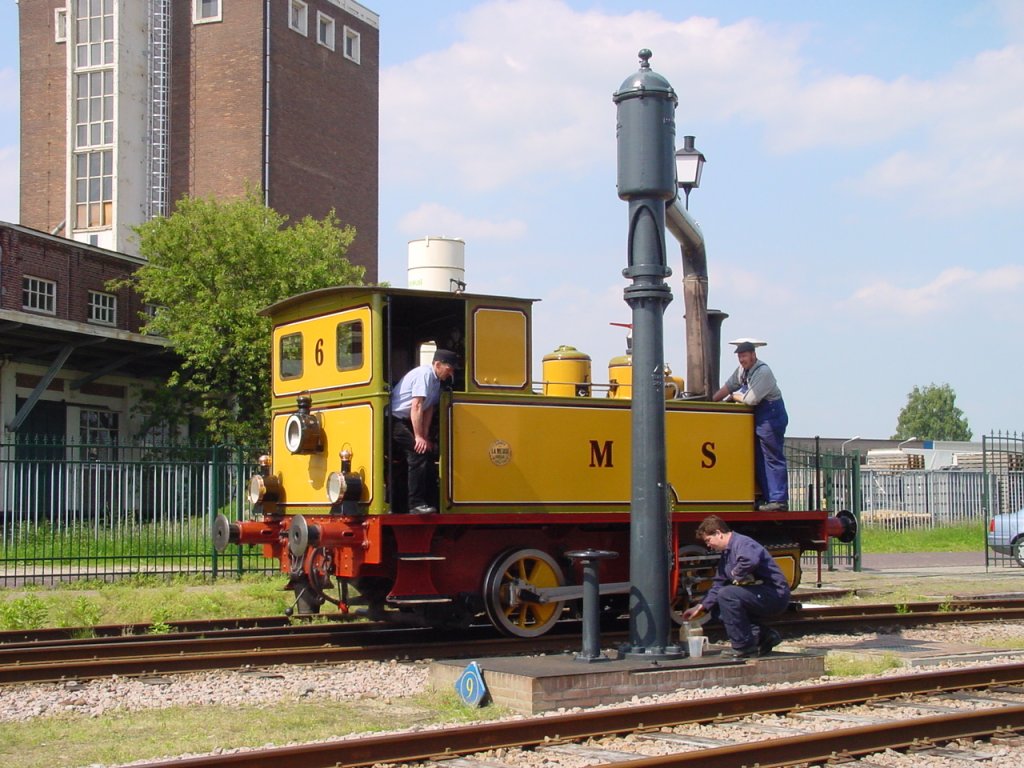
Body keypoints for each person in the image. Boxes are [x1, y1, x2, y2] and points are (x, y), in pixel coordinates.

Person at [680, 515, 789, 658]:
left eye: (708, 540)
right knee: (718, 608)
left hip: (773, 594)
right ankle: (764, 635)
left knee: (727, 594)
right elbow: (718, 584)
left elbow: (749, 561)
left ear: (718, 533)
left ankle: (743, 647)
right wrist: (701, 606)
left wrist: (735, 574)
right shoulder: (726, 554)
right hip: (758, 593)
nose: (708, 545)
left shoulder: (742, 543)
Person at [713, 340, 789, 511]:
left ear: (753, 355)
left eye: (744, 356)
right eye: (740, 357)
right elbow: (730, 384)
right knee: (758, 456)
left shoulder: (763, 372)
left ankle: (779, 500)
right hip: (760, 415)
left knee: (771, 456)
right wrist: (712, 400)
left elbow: (750, 399)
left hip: (771, 414)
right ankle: (765, 496)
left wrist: (733, 396)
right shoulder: (742, 371)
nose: (742, 360)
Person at [390, 349, 458, 514]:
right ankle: (415, 504)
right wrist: (418, 437)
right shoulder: (425, 375)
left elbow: (428, 409)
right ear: (437, 364)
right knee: (418, 453)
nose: (450, 374)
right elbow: (417, 405)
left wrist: (425, 436)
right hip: (394, 420)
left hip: (408, 420)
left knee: (425, 450)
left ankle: (423, 500)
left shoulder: (436, 381)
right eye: (449, 369)